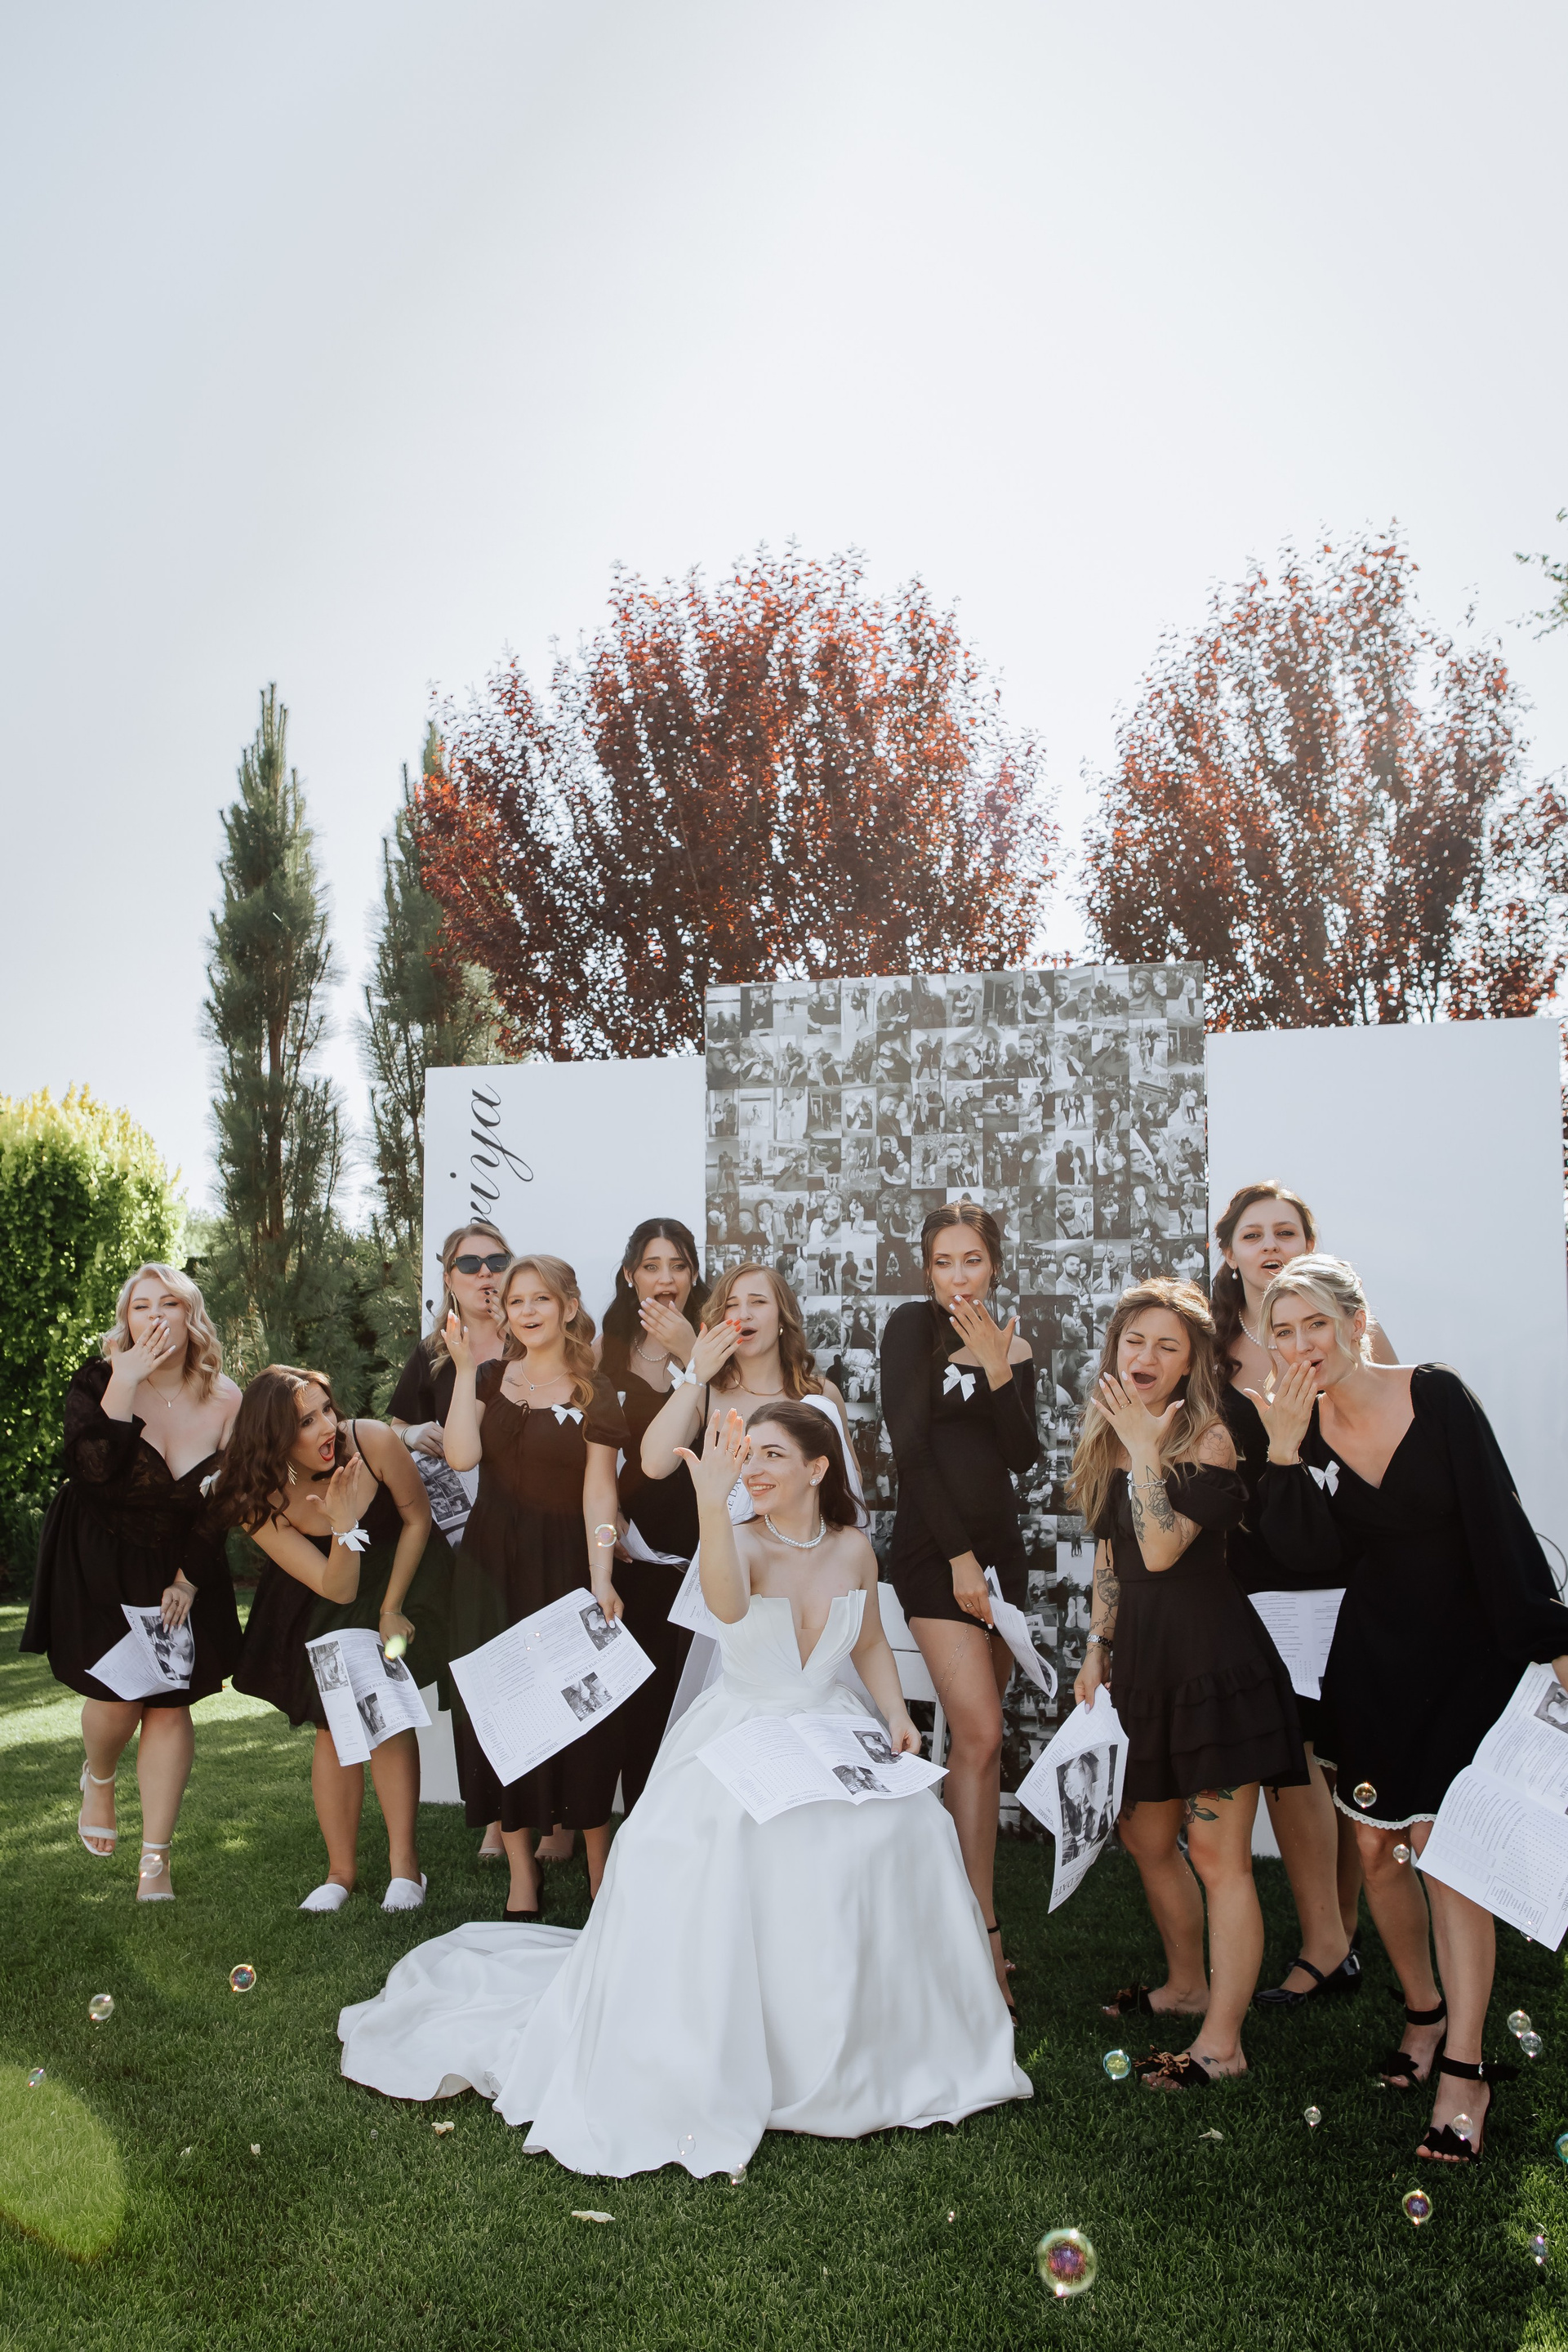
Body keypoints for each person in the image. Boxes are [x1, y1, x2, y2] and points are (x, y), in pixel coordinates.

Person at [337, 1403, 1031, 2172]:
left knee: (907, 1828)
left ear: (818, 1468)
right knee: (740, 1843)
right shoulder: (740, 1541)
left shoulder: (855, 1548)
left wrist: (896, 1714)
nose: (754, 1469)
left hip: (830, 1726)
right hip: (743, 1726)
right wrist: (711, 1503)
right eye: (747, 1455)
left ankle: (882, 2042)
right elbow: (728, 1607)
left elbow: (867, 1640)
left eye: (772, 1455)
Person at [1252, 1255, 1568, 2163]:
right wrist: (1282, 1452)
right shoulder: (1298, 1432)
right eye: (1283, 1332)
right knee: (1375, 1854)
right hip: (1375, 1663)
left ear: (1357, 1321)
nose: (1302, 1345)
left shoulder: (1438, 1395)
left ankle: (1466, 2068)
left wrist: (1551, 1641)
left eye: (1317, 1322)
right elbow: (1304, 1557)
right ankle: (1422, 2011)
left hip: (1469, 1659)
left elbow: (1501, 1527)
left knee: (1446, 1854)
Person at [1071, 1279, 1307, 2090]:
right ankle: (1186, 1986)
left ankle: (1222, 2045)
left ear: (1191, 1363)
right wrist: (1097, 1647)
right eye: (1135, 1341)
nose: (1146, 1356)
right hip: (1144, 1665)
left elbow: (1163, 1549)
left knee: (1216, 1854)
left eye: (1167, 1346)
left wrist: (1145, 1449)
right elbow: (1113, 1556)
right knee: (1144, 1838)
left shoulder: (1209, 1438)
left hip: (1212, 1666)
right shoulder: (1109, 1434)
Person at [1212, 1180, 1398, 2008]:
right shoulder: (1213, 1344)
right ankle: (1327, 1940)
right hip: (1260, 1574)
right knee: (1291, 1758)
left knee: (1346, 1753)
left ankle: (1342, 1934)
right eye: (1253, 1234)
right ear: (1228, 1252)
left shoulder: (1351, 1331)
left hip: (1348, 1566)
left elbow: (1389, 1435)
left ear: (1309, 1245)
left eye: (1285, 1232)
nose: (1270, 1246)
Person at [23, 1264, 242, 1900]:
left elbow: (223, 1503)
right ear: (126, 1320)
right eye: (140, 1306)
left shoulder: (228, 1397)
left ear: (190, 1317)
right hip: (99, 1555)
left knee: (170, 1704)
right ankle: (99, 1776)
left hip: (180, 1561)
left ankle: (155, 1863)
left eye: (168, 1303)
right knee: (119, 1698)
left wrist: (190, 1579)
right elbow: (94, 1472)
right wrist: (125, 1378)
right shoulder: (98, 1380)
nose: (153, 1316)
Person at [880, 1203, 1038, 2015]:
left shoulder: (1012, 1340)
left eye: (971, 1260)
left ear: (995, 1265)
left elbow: (1023, 1455)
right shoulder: (911, 1328)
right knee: (976, 1732)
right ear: (927, 1269)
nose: (957, 1277)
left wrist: (1001, 1370)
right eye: (943, 1262)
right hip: (936, 1555)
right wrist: (958, 1559)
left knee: (983, 1743)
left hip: (1001, 1558)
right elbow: (910, 1450)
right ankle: (981, 1935)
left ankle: (966, 1920)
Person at [222, 1365, 450, 1910]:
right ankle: (339, 1874)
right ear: (275, 1438)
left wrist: (391, 1608)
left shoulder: (371, 1441)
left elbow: (418, 1521)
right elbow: (337, 1588)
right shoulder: (257, 1498)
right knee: (333, 1723)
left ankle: (406, 1870)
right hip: (330, 1593)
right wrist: (344, 1526)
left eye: (327, 1408)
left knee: (382, 1705)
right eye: (307, 1421)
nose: (328, 1425)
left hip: (406, 1578)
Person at [443, 1255, 628, 1917]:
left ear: (568, 1307)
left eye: (540, 1299)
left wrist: (601, 1576)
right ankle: (523, 1875)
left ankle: (601, 1872)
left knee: (585, 1717)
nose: (526, 1310)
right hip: (490, 1570)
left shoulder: (596, 1391)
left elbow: (600, 1495)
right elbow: (461, 1456)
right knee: (502, 1713)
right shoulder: (488, 1378)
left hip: (564, 1568)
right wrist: (463, 1369)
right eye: (515, 1300)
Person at [388, 1219, 519, 1867]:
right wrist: (413, 1435)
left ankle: (549, 1815)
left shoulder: (535, 1336)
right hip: (465, 1545)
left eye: (497, 1260)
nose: (485, 1273)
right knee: (481, 1676)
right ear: (448, 1278)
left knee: (535, 1668)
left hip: (531, 1532)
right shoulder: (433, 1353)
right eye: (470, 1264)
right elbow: (392, 1427)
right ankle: (494, 1817)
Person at [597, 1218, 707, 1815]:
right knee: (634, 1702)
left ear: (693, 1275)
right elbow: (584, 1453)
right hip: (627, 1554)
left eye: (678, 1265)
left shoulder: (719, 1341)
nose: (666, 1279)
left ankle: (689, 1828)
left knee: (689, 1706)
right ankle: (638, 1825)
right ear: (629, 1275)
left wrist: (694, 1352)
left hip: (699, 1553)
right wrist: (608, 1516)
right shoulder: (605, 1351)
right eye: (652, 1266)